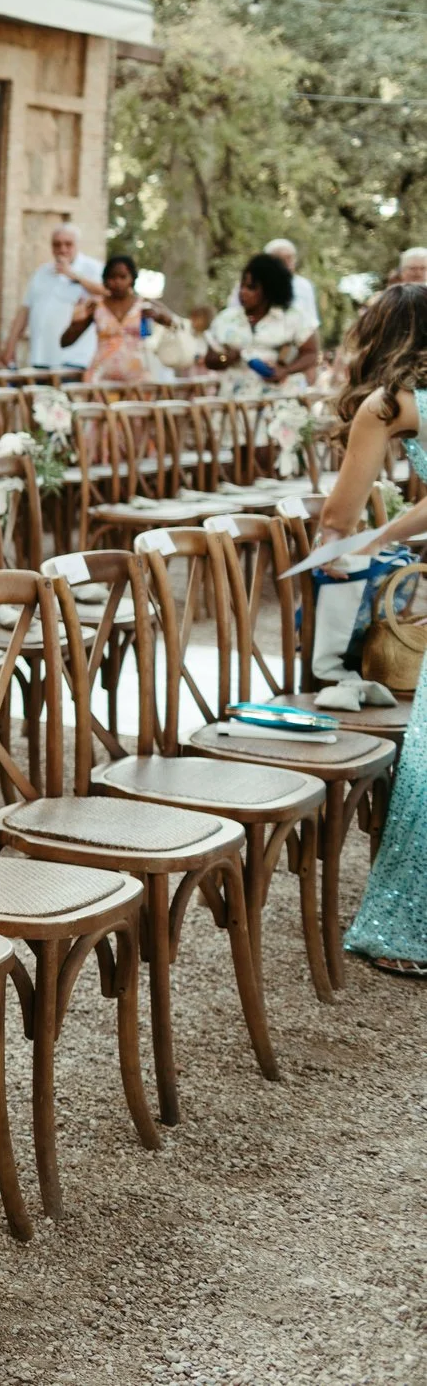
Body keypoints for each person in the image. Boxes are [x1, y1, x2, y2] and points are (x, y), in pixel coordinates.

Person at [314, 283, 427, 974]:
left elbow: (335, 516)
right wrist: (388, 533)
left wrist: (341, 544)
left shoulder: (385, 406)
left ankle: (409, 928)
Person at [204, 252, 320, 385]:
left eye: (251, 288)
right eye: (242, 286)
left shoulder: (293, 318)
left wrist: (285, 370)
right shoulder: (225, 319)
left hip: (280, 399)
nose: (243, 292)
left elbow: (311, 354)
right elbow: (209, 360)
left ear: (269, 289)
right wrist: (226, 358)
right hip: (235, 401)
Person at [64, 253, 173, 384]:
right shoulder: (96, 306)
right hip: (101, 379)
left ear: (132, 278)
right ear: (105, 279)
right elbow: (65, 342)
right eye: (112, 277)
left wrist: (159, 316)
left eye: (123, 277)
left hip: (137, 380)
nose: (117, 282)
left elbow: (173, 323)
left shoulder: (143, 305)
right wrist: (78, 319)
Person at [9, 223, 105, 370]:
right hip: (41, 357)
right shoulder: (42, 272)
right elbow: (25, 309)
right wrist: (10, 346)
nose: (62, 249)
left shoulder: (92, 268)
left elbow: (107, 293)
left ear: (77, 245)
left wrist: (74, 276)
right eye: (57, 245)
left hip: (74, 359)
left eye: (68, 244)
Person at [263, 236, 322, 325]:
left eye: (290, 258)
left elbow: (311, 321)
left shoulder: (304, 286)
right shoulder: (252, 285)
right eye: (282, 259)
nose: (287, 263)